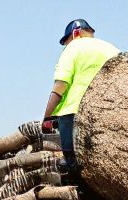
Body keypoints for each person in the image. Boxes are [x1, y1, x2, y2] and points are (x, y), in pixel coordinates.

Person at [40, 19, 120, 172]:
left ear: (75, 33)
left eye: (66, 41)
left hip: (74, 112)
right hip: (110, 110)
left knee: (72, 163)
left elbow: (60, 85)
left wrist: (47, 117)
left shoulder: (73, 48)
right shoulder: (111, 48)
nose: (66, 45)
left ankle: (73, 172)